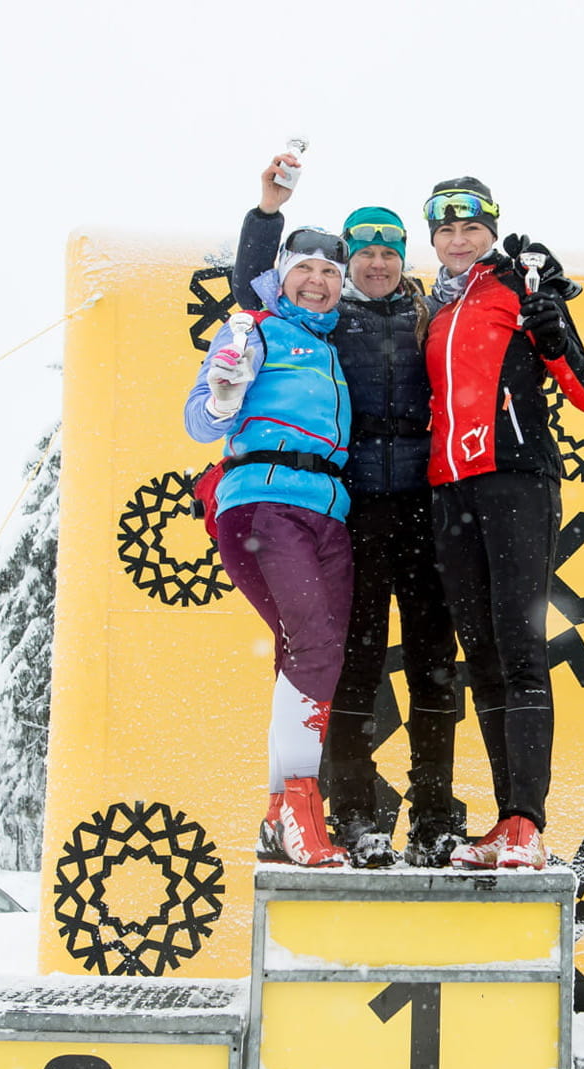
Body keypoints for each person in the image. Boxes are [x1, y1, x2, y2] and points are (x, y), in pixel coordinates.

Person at [233, 155, 465, 868]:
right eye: (362, 252)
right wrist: (267, 215)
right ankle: (357, 814)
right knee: (355, 666)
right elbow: (255, 291)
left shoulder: (432, 313)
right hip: (357, 512)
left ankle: (433, 818)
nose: (375, 264)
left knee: (434, 666)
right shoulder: (329, 322)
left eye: (387, 252)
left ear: (403, 260)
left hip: (425, 512)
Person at [420, 177, 584, 871]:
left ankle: (527, 822)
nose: (459, 239)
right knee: (486, 658)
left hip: (517, 480)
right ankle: (505, 825)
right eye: (446, 230)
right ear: (432, 238)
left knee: (521, 649)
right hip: (450, 493)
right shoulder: (432, 308)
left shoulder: (522, 287)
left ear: (491, 230)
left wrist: (553, 328)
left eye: (472, 228)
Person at [185, 226, 354, 868]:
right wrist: (226, 393)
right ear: (281, 276)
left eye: (329, 274)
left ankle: (277, 811)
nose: (317, 281)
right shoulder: (252, 330)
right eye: (305, 270)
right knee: (312, 645)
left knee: (309, 653)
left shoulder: (334, 345)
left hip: (330, 512)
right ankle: (299, 807)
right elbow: (200, 420)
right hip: (264, 500)